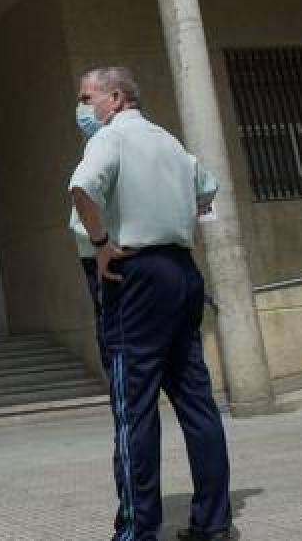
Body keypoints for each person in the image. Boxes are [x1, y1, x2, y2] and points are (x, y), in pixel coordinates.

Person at [68, 67, 231, 541]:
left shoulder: (111, 138)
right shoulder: (170, 142)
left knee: (133, 406)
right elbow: (208, 191)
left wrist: (102, 241)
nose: (81, 108)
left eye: (86, 97)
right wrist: (169, 216)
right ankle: (213, 523)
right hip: (181, 270)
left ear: (115, 98)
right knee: (196, 401)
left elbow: (81, 188)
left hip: (133, 273)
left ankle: (137, 530)